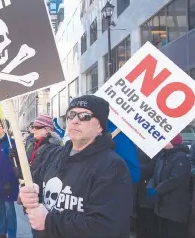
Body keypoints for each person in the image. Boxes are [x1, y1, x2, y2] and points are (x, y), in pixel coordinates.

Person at [19, 95, 133, 238]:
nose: (75, 121)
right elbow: (34, 187)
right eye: (71, 115)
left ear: (100, 127)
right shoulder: (53, 155)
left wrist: (49, 221)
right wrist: (26, 196)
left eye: (84, 116)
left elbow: (106, 226)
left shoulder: (112, 166)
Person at [147, 134, 191, 238]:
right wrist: (150, 187)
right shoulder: (163, 155)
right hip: (161, 206)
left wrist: (156, 191)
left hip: (175, 207)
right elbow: (155, 174)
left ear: (173, 142)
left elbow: (175, 180)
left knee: (173, 232)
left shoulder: (181, 158)